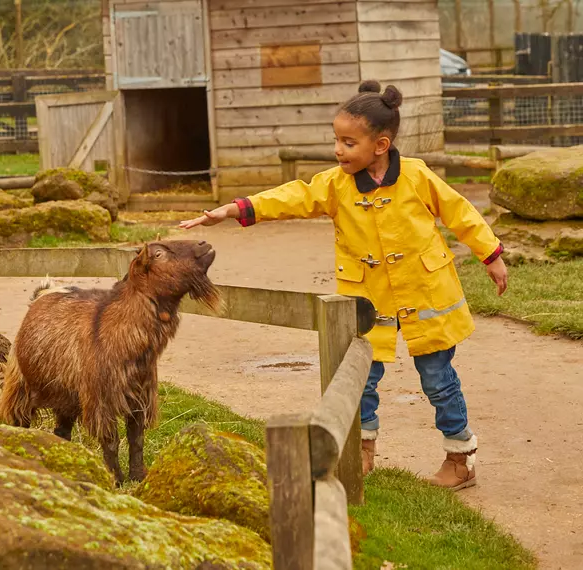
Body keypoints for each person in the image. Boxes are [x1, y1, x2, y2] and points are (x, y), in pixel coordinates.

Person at [179, 80, 508, 491]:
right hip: (369, 298)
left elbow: (460, 213)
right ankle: (360, 452)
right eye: (336, 140)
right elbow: (290, 197)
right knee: (362, 378)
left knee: (438, 378)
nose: (338, 151)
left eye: (349, 143)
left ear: (381, 144)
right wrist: (234, 209)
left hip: (426, 292)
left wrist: (490, 256)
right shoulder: (335, 185)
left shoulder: (417, 177)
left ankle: (460, 457)